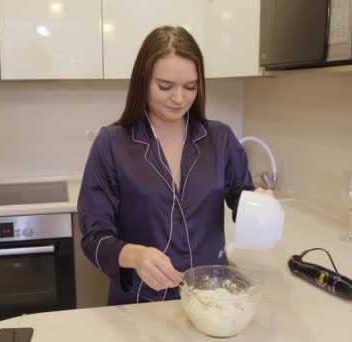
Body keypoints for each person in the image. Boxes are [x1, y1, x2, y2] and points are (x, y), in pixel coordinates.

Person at [77, 26, 257, 305]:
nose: (179, 98)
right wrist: (135, 256)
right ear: (143, 82)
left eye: (190, 87)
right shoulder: (112, 144)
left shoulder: (220, 139)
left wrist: (260, 205)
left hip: (210, 302)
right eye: (165, 86)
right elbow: (93, 238)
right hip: (139, 304)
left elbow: (244, 204)